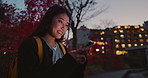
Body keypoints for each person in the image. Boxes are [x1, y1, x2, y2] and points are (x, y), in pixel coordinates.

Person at [18, 4, 88, 78]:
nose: (63, 28)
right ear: (49, 19)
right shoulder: (31, 45)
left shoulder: (62, 48)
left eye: (67, 25)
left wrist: (79, 64)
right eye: (60, 21)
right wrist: (69, 61)